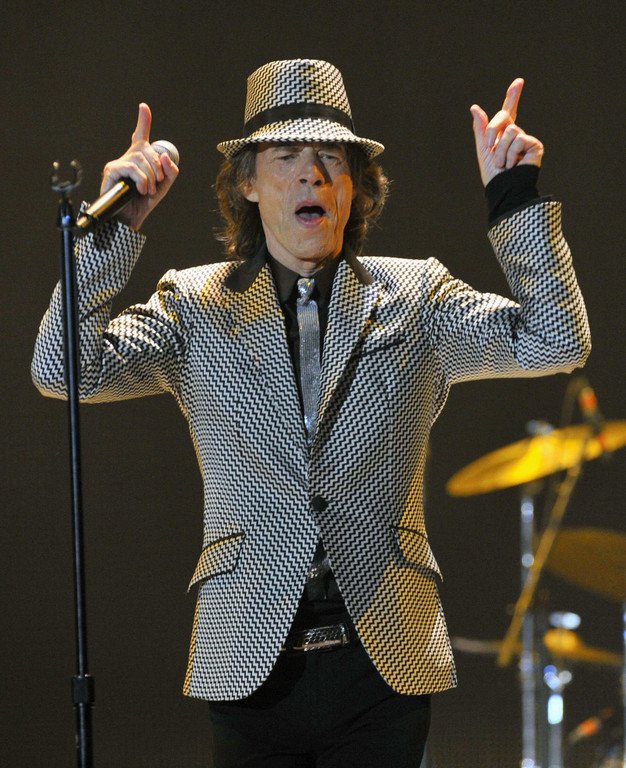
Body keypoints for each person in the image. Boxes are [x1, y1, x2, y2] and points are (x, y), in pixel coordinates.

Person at [32, 59, 590, 767]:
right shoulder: (196, 305)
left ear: (356, 186)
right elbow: (63, 369)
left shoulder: (416, 296)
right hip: (248, 654)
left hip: (383, 656)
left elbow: (556, 340)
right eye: (286, 156)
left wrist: (513, 197)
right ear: (247, 183)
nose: (311, 174)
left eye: (331, 157)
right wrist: (115, 229)